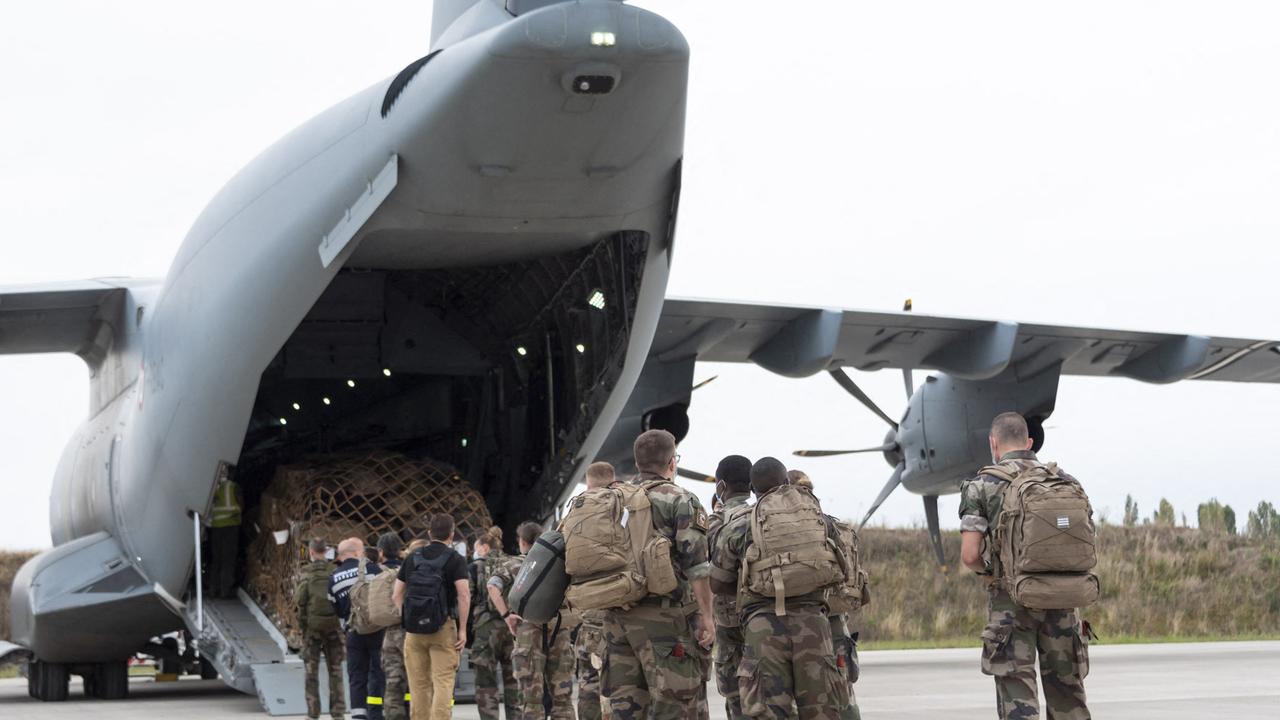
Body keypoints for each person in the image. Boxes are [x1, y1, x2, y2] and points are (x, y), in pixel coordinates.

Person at [959, 412, 1092, 720]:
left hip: (1012, 604)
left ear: (994, 444)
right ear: (1030, 442)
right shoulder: (1066, 481)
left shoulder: (983, 484)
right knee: (1068, 694)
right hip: (1064, 600)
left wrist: (989, 573)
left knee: (1018, 696)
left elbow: (969, 554)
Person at [710, 457, 848, 720]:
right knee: (822, 710)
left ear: (752, 488)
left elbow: (717, 582)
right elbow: (842, 566)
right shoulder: (819, 518)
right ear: (787, 482)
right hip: (814, 625)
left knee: (769, 711)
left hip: (763, 628)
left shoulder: (741, 525)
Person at [595, 429, 715, 720]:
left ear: (637, 464)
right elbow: (697, 568)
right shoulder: (680, 500)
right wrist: (708, 618)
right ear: (672, 462)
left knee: (627, 711)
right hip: (664, 623)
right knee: (675, 709)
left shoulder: (609, 500)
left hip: (616, 621)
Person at [789, 470, 862, 720]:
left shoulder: (793, 532)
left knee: (806, 698)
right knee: (843, 693)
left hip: (804, 624)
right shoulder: (836, 526)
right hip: (837, 623)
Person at [488, 521, 575, 720]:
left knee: (531, 699)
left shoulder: (517, 564)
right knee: (563, 699)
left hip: (528, 634)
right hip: (559, 631)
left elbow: (493, 586)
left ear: (522, 542)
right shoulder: (561, 564)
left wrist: (506, 615)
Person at [394, 513, 470, 720]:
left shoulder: (413, 558)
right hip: (442, 628)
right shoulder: (455, 559)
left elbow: (396, 594)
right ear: (452, 534)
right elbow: (463, 594)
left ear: (429, 533)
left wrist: (409, 616)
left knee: (418, 686)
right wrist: (463, 629)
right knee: (443, 682)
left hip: (414, 632)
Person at [708, 455, 753, 720]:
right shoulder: (762, 516)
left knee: (735, 694)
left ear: (721, 486)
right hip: (764, 617)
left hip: (729, 621)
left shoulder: (716, 521)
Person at [574, 462, 616, 720]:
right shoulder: (631, 507)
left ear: (587, 484)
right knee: (627, 688)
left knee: (589, 685)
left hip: (590, 618)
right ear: (614, 480)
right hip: (628, 613)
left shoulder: (575, 513)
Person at [330, 538, 387, 720]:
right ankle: (376, 714)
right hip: (376, 629)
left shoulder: (333, 578)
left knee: (356, 676)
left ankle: (358, 715)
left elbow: (336, 609)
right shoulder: (372, 570)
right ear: (356, 553)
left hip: (353, 631)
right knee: (377, 672)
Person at [470, 527, 518, 720]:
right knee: (513, 679)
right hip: (512, 627)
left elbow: (468, 597)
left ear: (483, 547)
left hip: (485, 629)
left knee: (485, 682)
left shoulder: (475, 567)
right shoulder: (514, 563)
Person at [295, 539, 345, 720]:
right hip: (333, 627)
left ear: (311, 552)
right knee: (336, 671)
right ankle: (338, 713)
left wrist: (303, 627)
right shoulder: (335, 571)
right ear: (326, 551)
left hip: (313, 629)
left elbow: (300, 601)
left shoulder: (306, 573)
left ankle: (313, 712)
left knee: (311, 671)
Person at [378, 533, 409, 720]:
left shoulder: (376, 571)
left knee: (393, 681)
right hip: (411, 630)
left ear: (381, 552)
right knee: (417, 680)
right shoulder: (409, 568)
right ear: (399, 551)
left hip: (388, 633)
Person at [207, 468, 243, 599]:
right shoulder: (233, 487)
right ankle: (224, 591)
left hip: (216, 527)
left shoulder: (213, 488)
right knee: (228, 560)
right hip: (231, 526)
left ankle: (212, 589)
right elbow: (241, 504)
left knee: (216, 559)